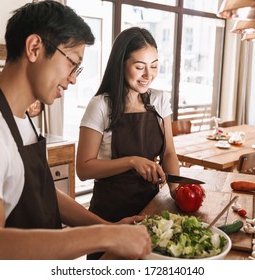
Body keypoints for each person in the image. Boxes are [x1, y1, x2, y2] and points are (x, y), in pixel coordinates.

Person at [0, 1, 151, 260]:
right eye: (72, 63)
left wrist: (106, 227)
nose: (74, 78)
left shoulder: (22, 120)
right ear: (34, 48)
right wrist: (104, 237)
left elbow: (43, 192)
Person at [76, 27, 180, 226]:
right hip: (110, 213)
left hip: (150, 208)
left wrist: (176, 189)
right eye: (140, 67)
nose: (148, 75)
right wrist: (132, 161)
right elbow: (83, 168)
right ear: (121, 64)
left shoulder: (159, 99)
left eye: (154, 66)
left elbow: (168, 153)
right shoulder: (101, 105)